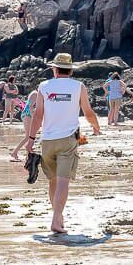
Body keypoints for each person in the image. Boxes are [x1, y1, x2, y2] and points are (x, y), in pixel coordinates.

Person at [25, 54, 101, 234]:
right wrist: (96, 127)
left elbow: (38, 115)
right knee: (62, 182)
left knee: (53, 181)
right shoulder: (78, 87)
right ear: (71, 70)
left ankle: (58, 217)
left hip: (47, 141)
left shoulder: (44, 86)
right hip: (68, 139)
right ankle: (56, 219)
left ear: (54, 69)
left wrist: (30, 139)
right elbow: (88, 112)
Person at [10, 89, 40, 162]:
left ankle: (28, 154)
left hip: (27, 114)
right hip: (27, 115)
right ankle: (14, 152)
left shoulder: (35, 93)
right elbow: (30, 106)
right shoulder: (36, 93)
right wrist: (33, 117)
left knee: (30, 136)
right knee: (28, 136)